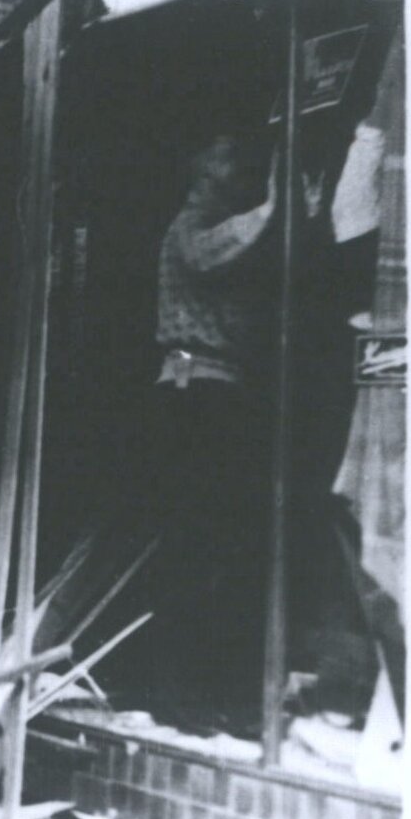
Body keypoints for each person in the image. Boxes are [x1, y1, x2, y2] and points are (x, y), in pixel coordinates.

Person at [143, 133, 281, 738]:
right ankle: (179, 693)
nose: (237, 162)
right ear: (199, 167)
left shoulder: (212, 223)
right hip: (196, 392)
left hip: (213, 391)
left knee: (216, 545)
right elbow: (210, 252)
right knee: (199, 545)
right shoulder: (192, 225)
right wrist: (271, 209)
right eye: (224, 153)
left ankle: (203, 693)